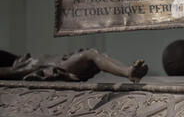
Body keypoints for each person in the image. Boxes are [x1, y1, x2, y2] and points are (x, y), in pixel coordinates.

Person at [0, 49, 148, 83]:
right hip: (62, 66)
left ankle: (129, 70)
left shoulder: (28, 60)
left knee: (99, 56)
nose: (26, 56)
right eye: (22, 58)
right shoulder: (24, 66)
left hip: (66, 61)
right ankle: (128, 72)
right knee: (91, 55)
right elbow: (8, 73)